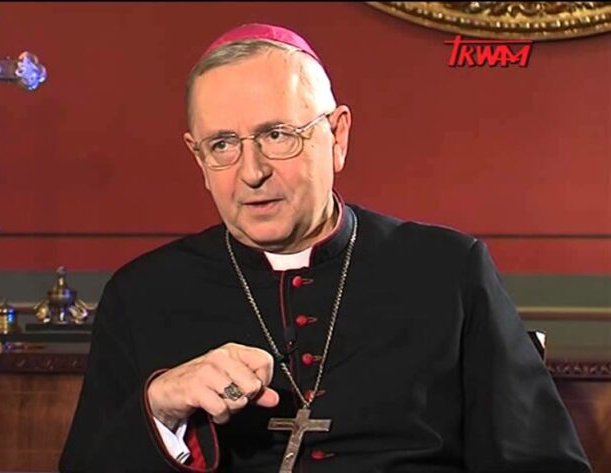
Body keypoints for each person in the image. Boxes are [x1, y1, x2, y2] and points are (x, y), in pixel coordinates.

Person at [59, 23, 591, 473]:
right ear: (198, 159)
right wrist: (160, 409)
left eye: (277, 135)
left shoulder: (447, 270)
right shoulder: (142, 294)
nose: (251, 172)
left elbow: (542, 462)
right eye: (222, 145)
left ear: (337, 137)